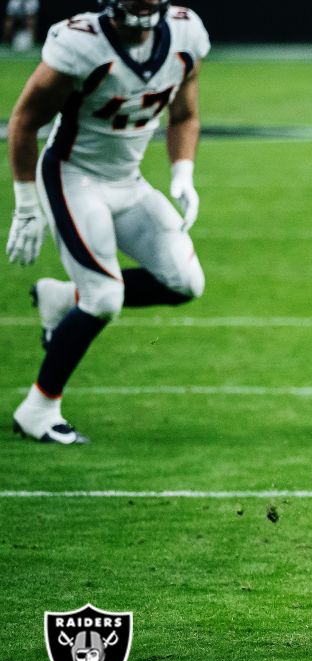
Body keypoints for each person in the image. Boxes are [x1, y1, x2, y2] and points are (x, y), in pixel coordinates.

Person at [7, 0, 208, 444]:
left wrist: (183, 173)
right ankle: (38, 408)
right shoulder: (81, 42)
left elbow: (185, 115)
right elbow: (23, 121)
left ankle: (63, 298)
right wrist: (25, 204)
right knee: (104, 297)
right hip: (73, 177)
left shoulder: (185, 34)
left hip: (128, 182)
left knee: (185, 282)